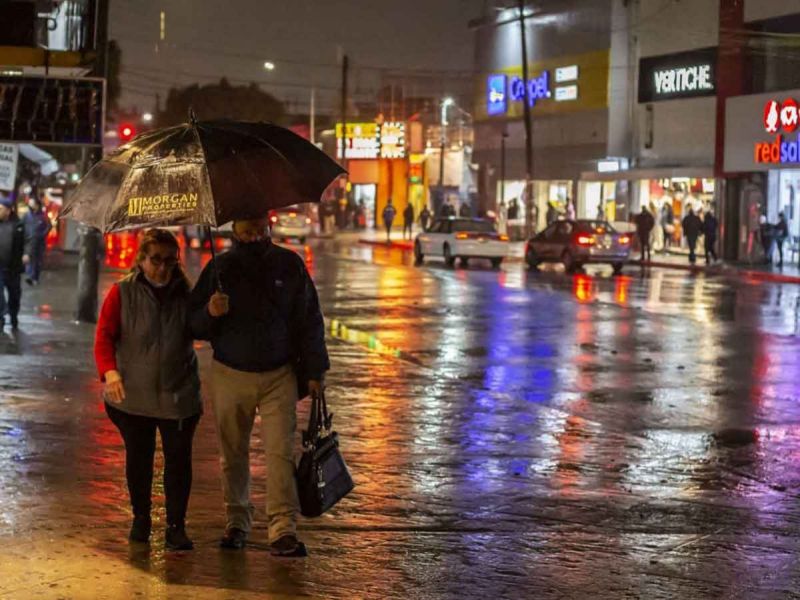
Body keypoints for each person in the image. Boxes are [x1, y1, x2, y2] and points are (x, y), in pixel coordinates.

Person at [190, 216, 329, 557]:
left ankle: (283, 527)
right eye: (245, 227)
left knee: (280, 452)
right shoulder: (220, 268)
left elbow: (309, 319)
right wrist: (210, 311)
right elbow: (192, 324)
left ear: (268, 226)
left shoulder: (289, 265)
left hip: (278, 373)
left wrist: (314, 370)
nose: (252, 233)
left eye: (258, 226)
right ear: (234, 229)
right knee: (232, 453)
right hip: (230, 372)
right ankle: (237, 520)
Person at [94, 229, 201, 550]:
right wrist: (110, 372)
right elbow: (104, 337)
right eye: (155, 260)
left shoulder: (187, 294)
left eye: (170, 261)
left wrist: (213, 312)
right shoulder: (122, 293)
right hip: (133, 397)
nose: (162, 268)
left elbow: (204, 331)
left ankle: (175, 526)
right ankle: (141, 518)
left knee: (178, 461)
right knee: (138, 459)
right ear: (141, 260)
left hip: (178, 395)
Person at [0, 196, 28, 331]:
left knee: (14, 296)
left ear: (8, 210)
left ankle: (13, 317)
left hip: (13, 268)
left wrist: (26, 254)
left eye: (0, 208)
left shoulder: (18, 225)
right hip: (0, 268)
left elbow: (27, 241)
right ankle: (1, 319)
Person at [22, 196, 52, 286]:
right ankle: (30, 276)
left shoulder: (43, 216)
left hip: (39, 242)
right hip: (28, 241)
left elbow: (49, 226)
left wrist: (43, 234)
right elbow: (21, 225)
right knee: (30, 258)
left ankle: (35, 277)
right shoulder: (26, 215)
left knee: (37, 260)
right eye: (30, 203)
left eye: (32, 203)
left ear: (37, 205)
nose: (30, 205)